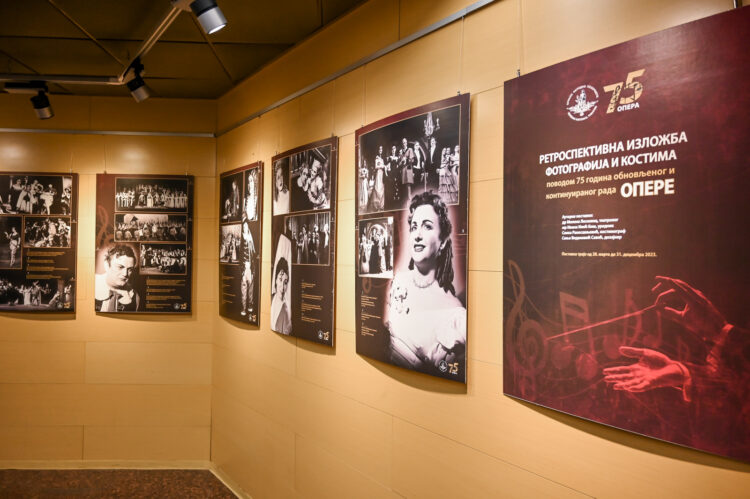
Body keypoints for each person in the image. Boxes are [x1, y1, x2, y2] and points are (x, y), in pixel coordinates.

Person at [386, 192, 466, 373]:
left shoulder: (454, 314)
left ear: (442, 242)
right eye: (414, 227)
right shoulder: (399, 280)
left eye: (427, 226)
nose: (417, 235)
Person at [95, 244, 140, 312]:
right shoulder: (91, 285)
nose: (125, 274)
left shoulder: (134, 297)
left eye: (130, 269)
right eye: (120, 267)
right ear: (107, 265)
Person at [271, 235, 292, 335]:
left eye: (285, 282)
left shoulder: (285, 311)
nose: (282, 288)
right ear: (275, 279)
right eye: (280, 279)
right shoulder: (271, 299)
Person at [240, 220, 256, 318]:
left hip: (250, 267)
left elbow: (253, 255)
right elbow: (240, 255)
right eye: (244, 226)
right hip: (244, 268)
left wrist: (253, 269)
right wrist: (242, 270)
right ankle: (243, 308)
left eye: (246, 226)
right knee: (244, 289)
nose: (245, 228)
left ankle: (250, 305)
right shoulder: (242, 239)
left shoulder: (250, 238)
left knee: (251, 288)